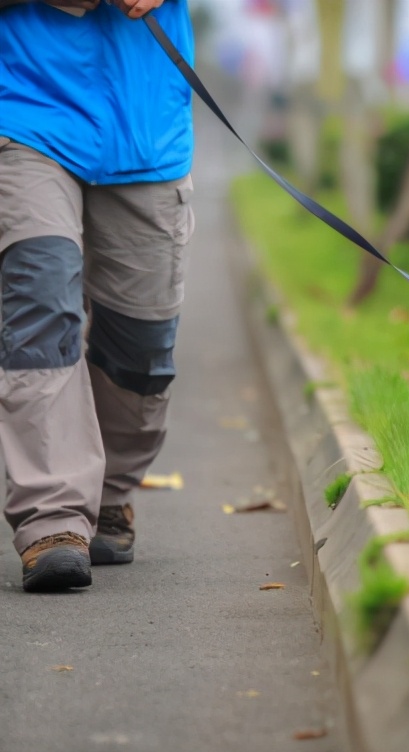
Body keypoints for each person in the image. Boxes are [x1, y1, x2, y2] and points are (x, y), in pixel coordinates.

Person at [0, 0, 195, 591]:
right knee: (40, 306)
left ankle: (109, 495)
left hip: (148, 131)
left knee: (142, 344)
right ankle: (53, 518)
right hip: (25, 112)